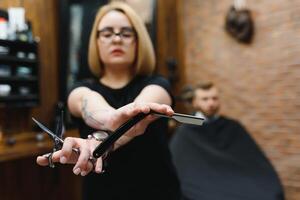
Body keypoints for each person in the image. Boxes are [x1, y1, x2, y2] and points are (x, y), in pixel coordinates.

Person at [36, 2, 180, 200]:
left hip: (159, 191)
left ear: (138, 42)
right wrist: (110, 119)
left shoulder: (157, 85)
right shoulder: (80, 90)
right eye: (107, 33)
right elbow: (90, 103)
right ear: (96, 42)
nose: (117, 39)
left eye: (126, 33)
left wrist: (98, 141)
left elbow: (144, 106)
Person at [170, 81, 285, 200]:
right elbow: (180, 168)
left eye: (214, 98)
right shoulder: (186, 131)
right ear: (194, 102)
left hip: (238, 181)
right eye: (205, 99)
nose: (211, 103)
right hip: (205, 187)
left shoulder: (233, 127)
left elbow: (253, 161)